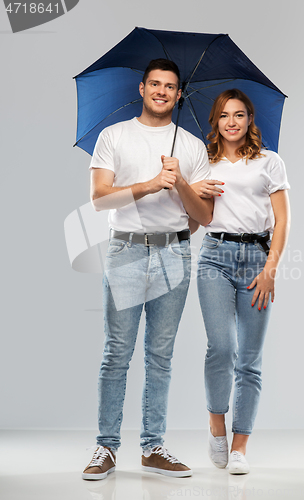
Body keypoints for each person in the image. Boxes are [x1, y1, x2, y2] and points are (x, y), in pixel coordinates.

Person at [82, 59, 213, 480]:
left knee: (161, 356)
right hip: (126, 251)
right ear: (142, 89)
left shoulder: (192, 146)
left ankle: (153, 446)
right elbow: (100, 198)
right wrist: (150, 184)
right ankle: (106, 447)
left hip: (175, 252)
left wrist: (180, 185)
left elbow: (205, 217)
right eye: (154, 84)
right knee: (116, 354)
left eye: (170, 86)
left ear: (179, 94)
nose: (161, 91)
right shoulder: (114, 136)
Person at [192, 89, 290, 474]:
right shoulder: (203, 163)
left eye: (239, 114)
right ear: (215, 122)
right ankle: (217, 427)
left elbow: (282, 220)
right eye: (223, 115)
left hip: (257, 260)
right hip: (214, 255)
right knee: (221, 348)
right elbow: (196, 219)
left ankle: (239, 448)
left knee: (249, 359)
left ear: (250, 119)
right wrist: (191, 189)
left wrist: (271, 270)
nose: (231, 122)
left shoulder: (270, 162)